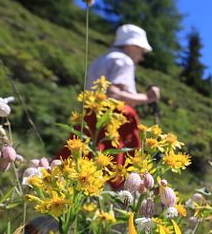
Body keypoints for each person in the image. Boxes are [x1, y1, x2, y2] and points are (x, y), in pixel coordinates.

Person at [56, 24, 159, 187]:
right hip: (113, 120)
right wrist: (148, 97)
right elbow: (114, 94)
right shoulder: (124, 60)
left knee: (80, 160)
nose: (142, 58)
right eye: (142, 51)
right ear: (132, 45)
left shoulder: (101, 59)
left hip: (90, 114)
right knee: (114, 167)